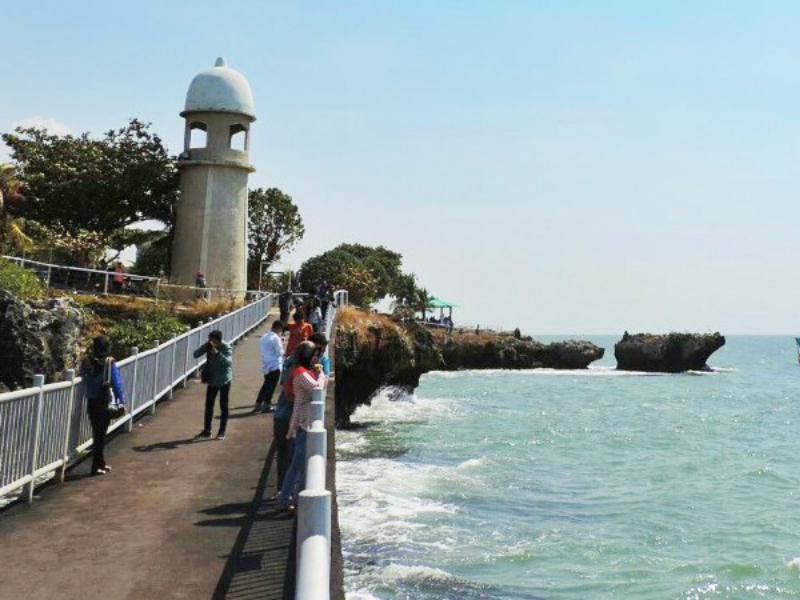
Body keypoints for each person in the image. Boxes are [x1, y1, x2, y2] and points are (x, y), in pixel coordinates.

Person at [276, 341, 326, 513]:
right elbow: (317, 388)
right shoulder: (301, 374)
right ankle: (289, 501)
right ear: (308, 356)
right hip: (305, 423)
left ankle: (290, 499)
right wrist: (321, 373)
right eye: (314, 355)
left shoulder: (303, 372)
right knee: (298, 465)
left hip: (305, 422)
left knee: (299, 465)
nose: (316, 358)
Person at [80, 336, 126, 476]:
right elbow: (116, 384)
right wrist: (121, 401)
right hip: (104, 400)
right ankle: (95, 467)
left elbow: (83, 375)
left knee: (97, 433)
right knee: (101, 435)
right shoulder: (109, 362)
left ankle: (101, 463)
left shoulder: (86, 362)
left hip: (92, 401)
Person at [193, 330, 233, 439]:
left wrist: (216, 353)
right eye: (210, 340)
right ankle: (207, 430)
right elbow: (195, 355)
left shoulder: (226, 347)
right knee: (209, 406)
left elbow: (228, 363)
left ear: (219, 340)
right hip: (212, 379)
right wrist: (203, 347)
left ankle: (222, 432)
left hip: (224, 380)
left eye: (214, 340)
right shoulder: (208, 346)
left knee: (223, 406)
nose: (212, 342)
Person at [254, 320, 284, 413]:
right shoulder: (275, 338)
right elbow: (279, 353)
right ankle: (266, 405)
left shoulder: (264, 337)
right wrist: (283, 349)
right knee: (271, 386)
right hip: (275, 365)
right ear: (278, 328)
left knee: (266, 385)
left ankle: (258, 404)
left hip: (266, 364)